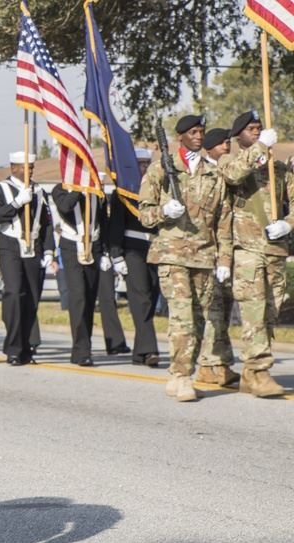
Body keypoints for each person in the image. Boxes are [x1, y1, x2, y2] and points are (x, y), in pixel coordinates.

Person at [138, 114, 229, 402]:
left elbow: (223, 220)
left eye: (201, 132)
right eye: (192, 132)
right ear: (180, 137)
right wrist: (165, 212)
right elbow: (144, 214)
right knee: (182, 317)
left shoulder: (213, 173)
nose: (199, 137)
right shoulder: (161, 170)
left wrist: (224, 259)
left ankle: (181, 369)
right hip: (172, 254)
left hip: (204, 255)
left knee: (201, 320)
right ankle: (182, 376)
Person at [216, 110, 292, 397]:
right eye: (251, 130)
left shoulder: (279, 169)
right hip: (246, 250)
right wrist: (260, 148)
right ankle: (259, 371)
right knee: (254, 311)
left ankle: (250, 371)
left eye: (260, 129)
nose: (257, 133)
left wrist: (287, 224)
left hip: (275, 249)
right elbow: (234, 176)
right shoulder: (228, 161)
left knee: (271, 314)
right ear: (239, 137)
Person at [0, 151, 55, 365]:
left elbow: (47, 224)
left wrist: (49, 251)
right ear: (13, 168)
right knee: (14, 293)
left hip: (33, 246)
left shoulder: (40, 191)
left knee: (31, 298)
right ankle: (13, 347)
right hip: (10, 246)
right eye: (25, 167)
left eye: (32, 167)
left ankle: (26, 346)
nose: (29, 171)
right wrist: (16, 203)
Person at [194, 127, 240, 387]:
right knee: (212, 309)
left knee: (223, 309)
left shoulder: (225, 168)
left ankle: (218, 363)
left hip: (228, 247)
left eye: (228, 143)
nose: (227, 147)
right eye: (222, 143)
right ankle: (208, 363)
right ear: (209, 147)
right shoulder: (203, 171)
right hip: (208, 249)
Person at [107, 148, 162, 367]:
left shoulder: (158, 189)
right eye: (140, 164)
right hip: (132, 248)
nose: (144, 168)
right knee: (142, 298)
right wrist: (116, 255)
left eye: (147, 163)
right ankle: (149, 350)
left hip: (154, 247)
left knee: (151, 295)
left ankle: (139, 352)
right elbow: (115, 226)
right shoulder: (123, 192)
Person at [49, 182, 109, 366]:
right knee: (79, 298)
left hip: (94, 246)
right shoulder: (60, 189)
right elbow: (66, 207)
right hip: (71, 247)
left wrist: (106, 252)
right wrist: (78, 189)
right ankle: (81, 351)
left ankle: (85, 347)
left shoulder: (97, 190)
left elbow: (103, 221)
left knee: (90, 299)